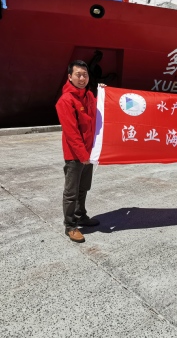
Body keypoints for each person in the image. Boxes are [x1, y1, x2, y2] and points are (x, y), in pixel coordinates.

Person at [55, 60, 101, 243]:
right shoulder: (66, 100)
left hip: (89, 154)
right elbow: (72, 132)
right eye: (78, 75)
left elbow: (102, 110)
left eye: (85, 75)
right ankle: (70, 225)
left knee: (84, 187)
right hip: (75, 155)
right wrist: (83, 156)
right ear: (70, 77)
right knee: (71, 192)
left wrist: (105, 93)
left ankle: (81, 215)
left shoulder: (88, 95)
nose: (82, 78)